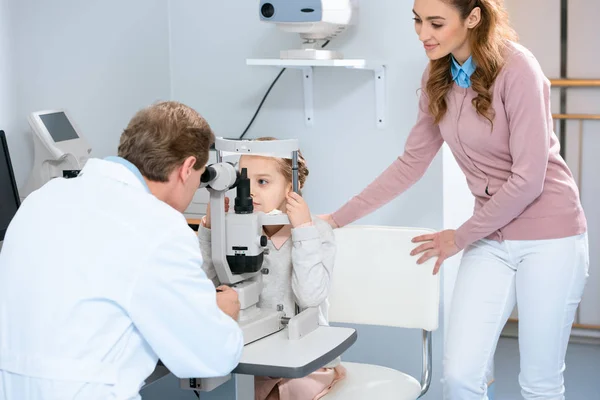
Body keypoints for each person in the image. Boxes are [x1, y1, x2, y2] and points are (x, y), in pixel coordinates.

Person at [320, 1, 589, 399]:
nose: (422, 33)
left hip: (550, 236)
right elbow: (410, 165)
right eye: (417, 20)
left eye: (436, 22)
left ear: (473, 18)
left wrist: (458, 237)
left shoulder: (519, 69)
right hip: (491, 238)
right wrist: (337, 219)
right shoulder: (438, 75)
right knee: (461, 376)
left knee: (540, 383)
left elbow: (529, 179)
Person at [0, 101, 244, 400]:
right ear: (187, 168)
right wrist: (222, 316)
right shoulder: (161, 226)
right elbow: (211, 357)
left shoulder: (41, 199)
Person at [198, 137, 346, 400]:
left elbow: (310, 297)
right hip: (256, 354)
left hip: (305, 355)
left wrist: (302, 231)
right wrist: (212, 229)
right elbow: (211, 288)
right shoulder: (234, 228)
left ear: (291, 185)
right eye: (244, 182)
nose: (251, 191)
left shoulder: (317, 233)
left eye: (263, 182)